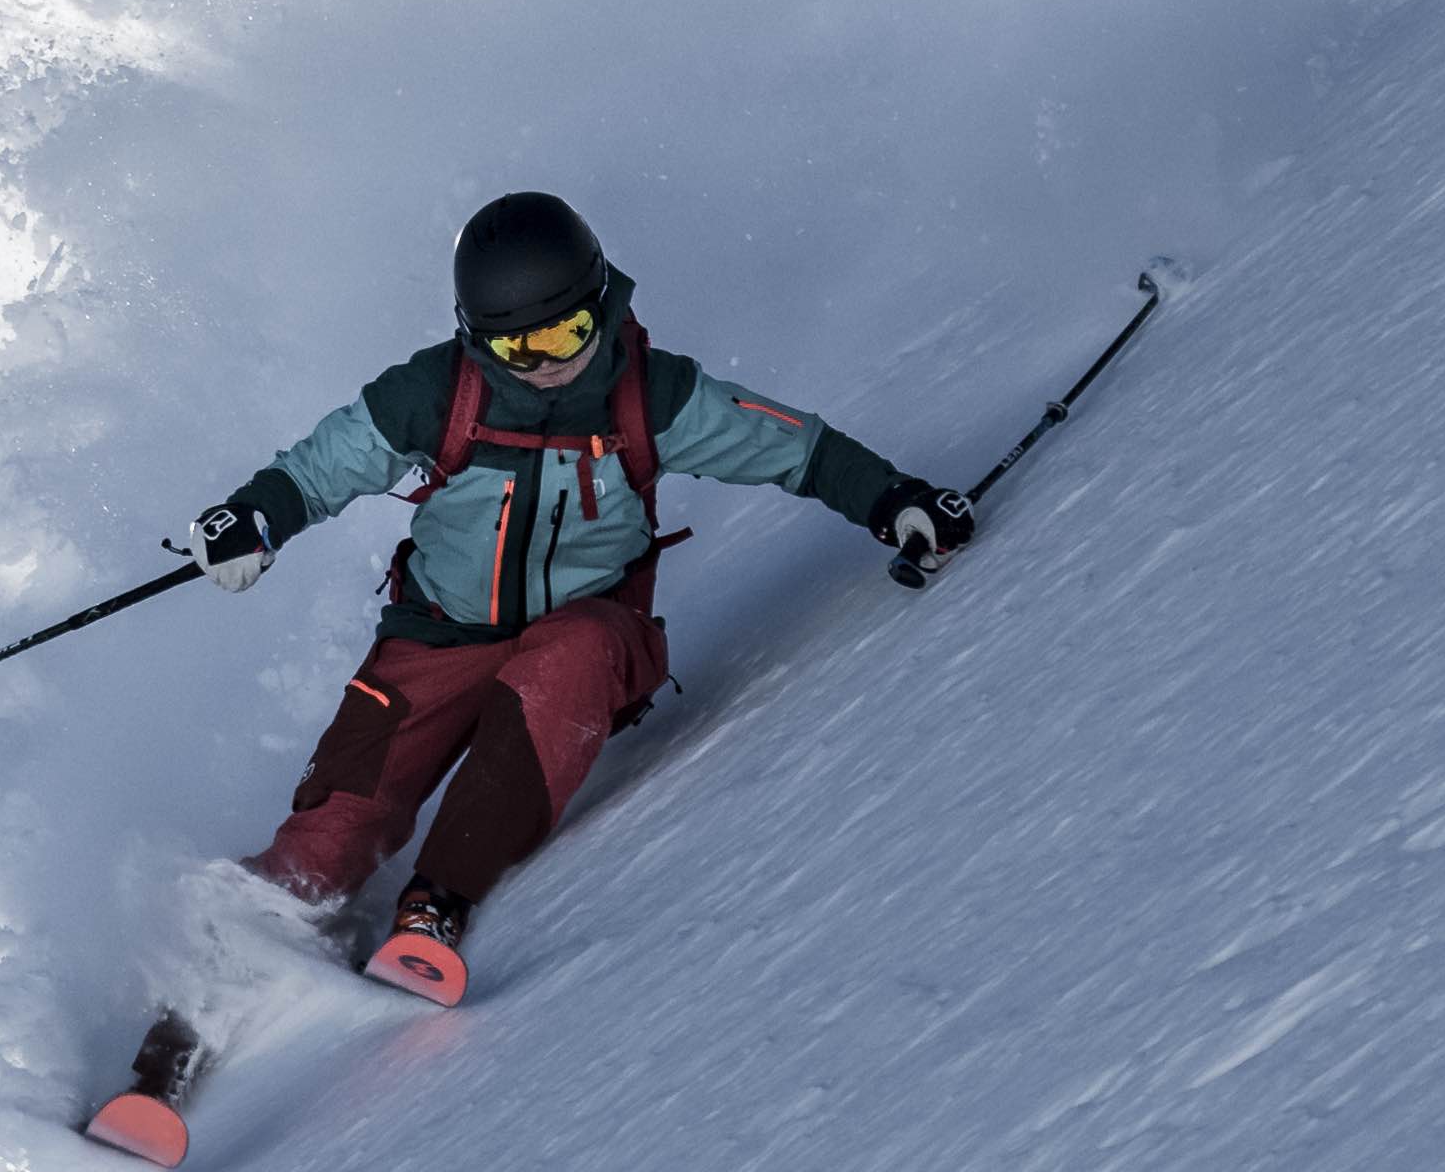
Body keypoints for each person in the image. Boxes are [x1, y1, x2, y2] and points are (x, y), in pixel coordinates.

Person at [151, 185, 964, 1018]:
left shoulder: (654, 398)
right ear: (475, 338)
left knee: (563, 661)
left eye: (565, 333)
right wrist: (254, 515)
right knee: (340, 819)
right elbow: (329, 461)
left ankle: (437, 899)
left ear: (601, 304)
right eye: (515, 346)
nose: (544, 362)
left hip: (586, 633)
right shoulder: (435, 393)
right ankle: (241, 950)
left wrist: (893, 498)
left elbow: (794, 449)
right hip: (436, 634)